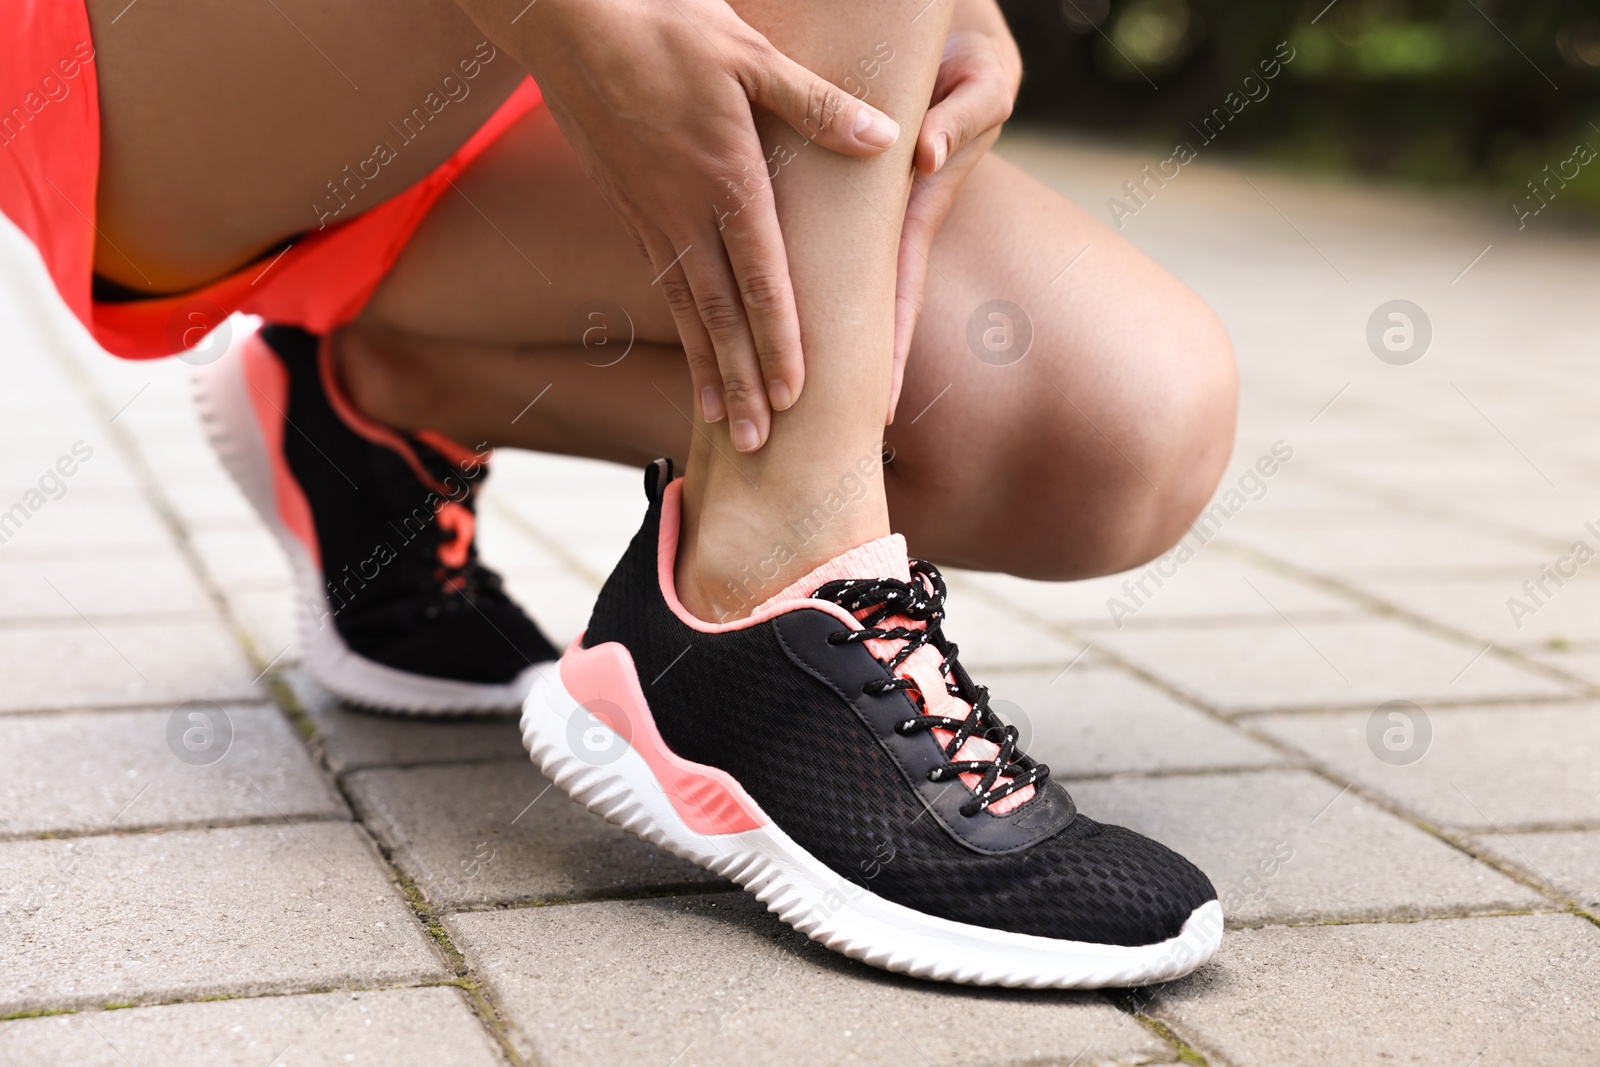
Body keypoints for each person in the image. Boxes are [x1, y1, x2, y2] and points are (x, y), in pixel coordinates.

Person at [4, 0, 1236, 987]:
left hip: (540, 110)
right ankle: (765, 568)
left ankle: (372, 390)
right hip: (205, 55)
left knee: (1120, 428)